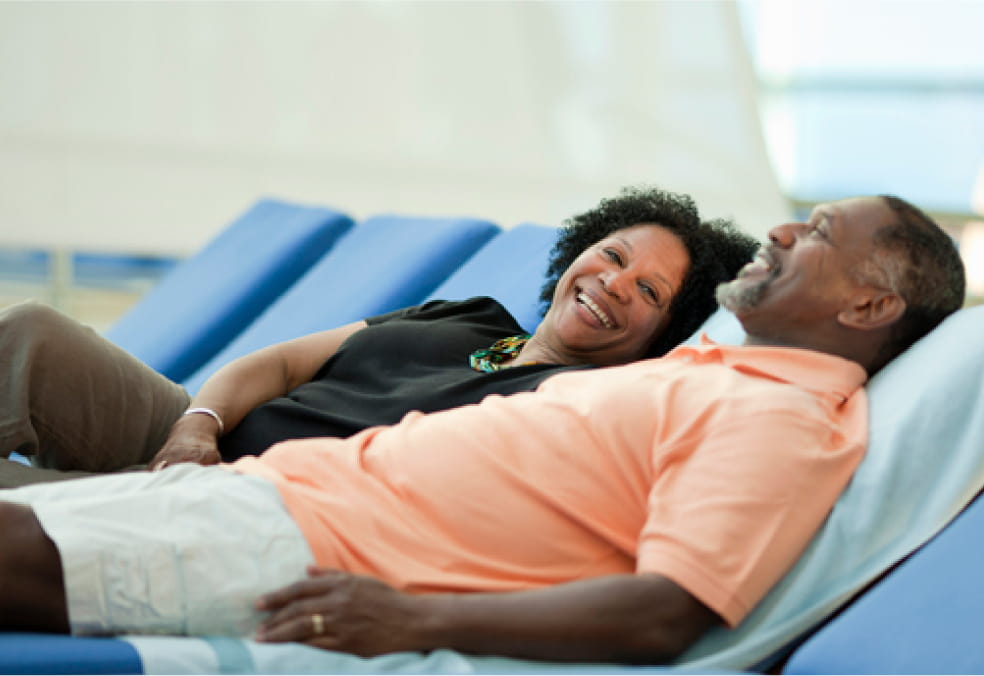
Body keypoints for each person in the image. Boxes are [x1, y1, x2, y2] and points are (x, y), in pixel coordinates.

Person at [0, 194, 966, 664]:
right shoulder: (705, 371)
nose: (786, 233)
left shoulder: (780, 417)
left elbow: (668, 611)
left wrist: (413, 619)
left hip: (314, 539)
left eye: (820, 233)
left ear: (871, 310)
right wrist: (203, 427)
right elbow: (288, 363)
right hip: (271, 490)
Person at [0, 186, 757, 487]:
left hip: (241, 504)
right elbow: (281, 361)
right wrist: (198, 425)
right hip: (188, 438)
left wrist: (215, 474)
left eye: (649, 292)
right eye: (613, 254)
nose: (613, 282)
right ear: (580, 250)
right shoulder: (469, 315)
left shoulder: (576, 403)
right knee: (31, 334)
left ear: (664, 333)